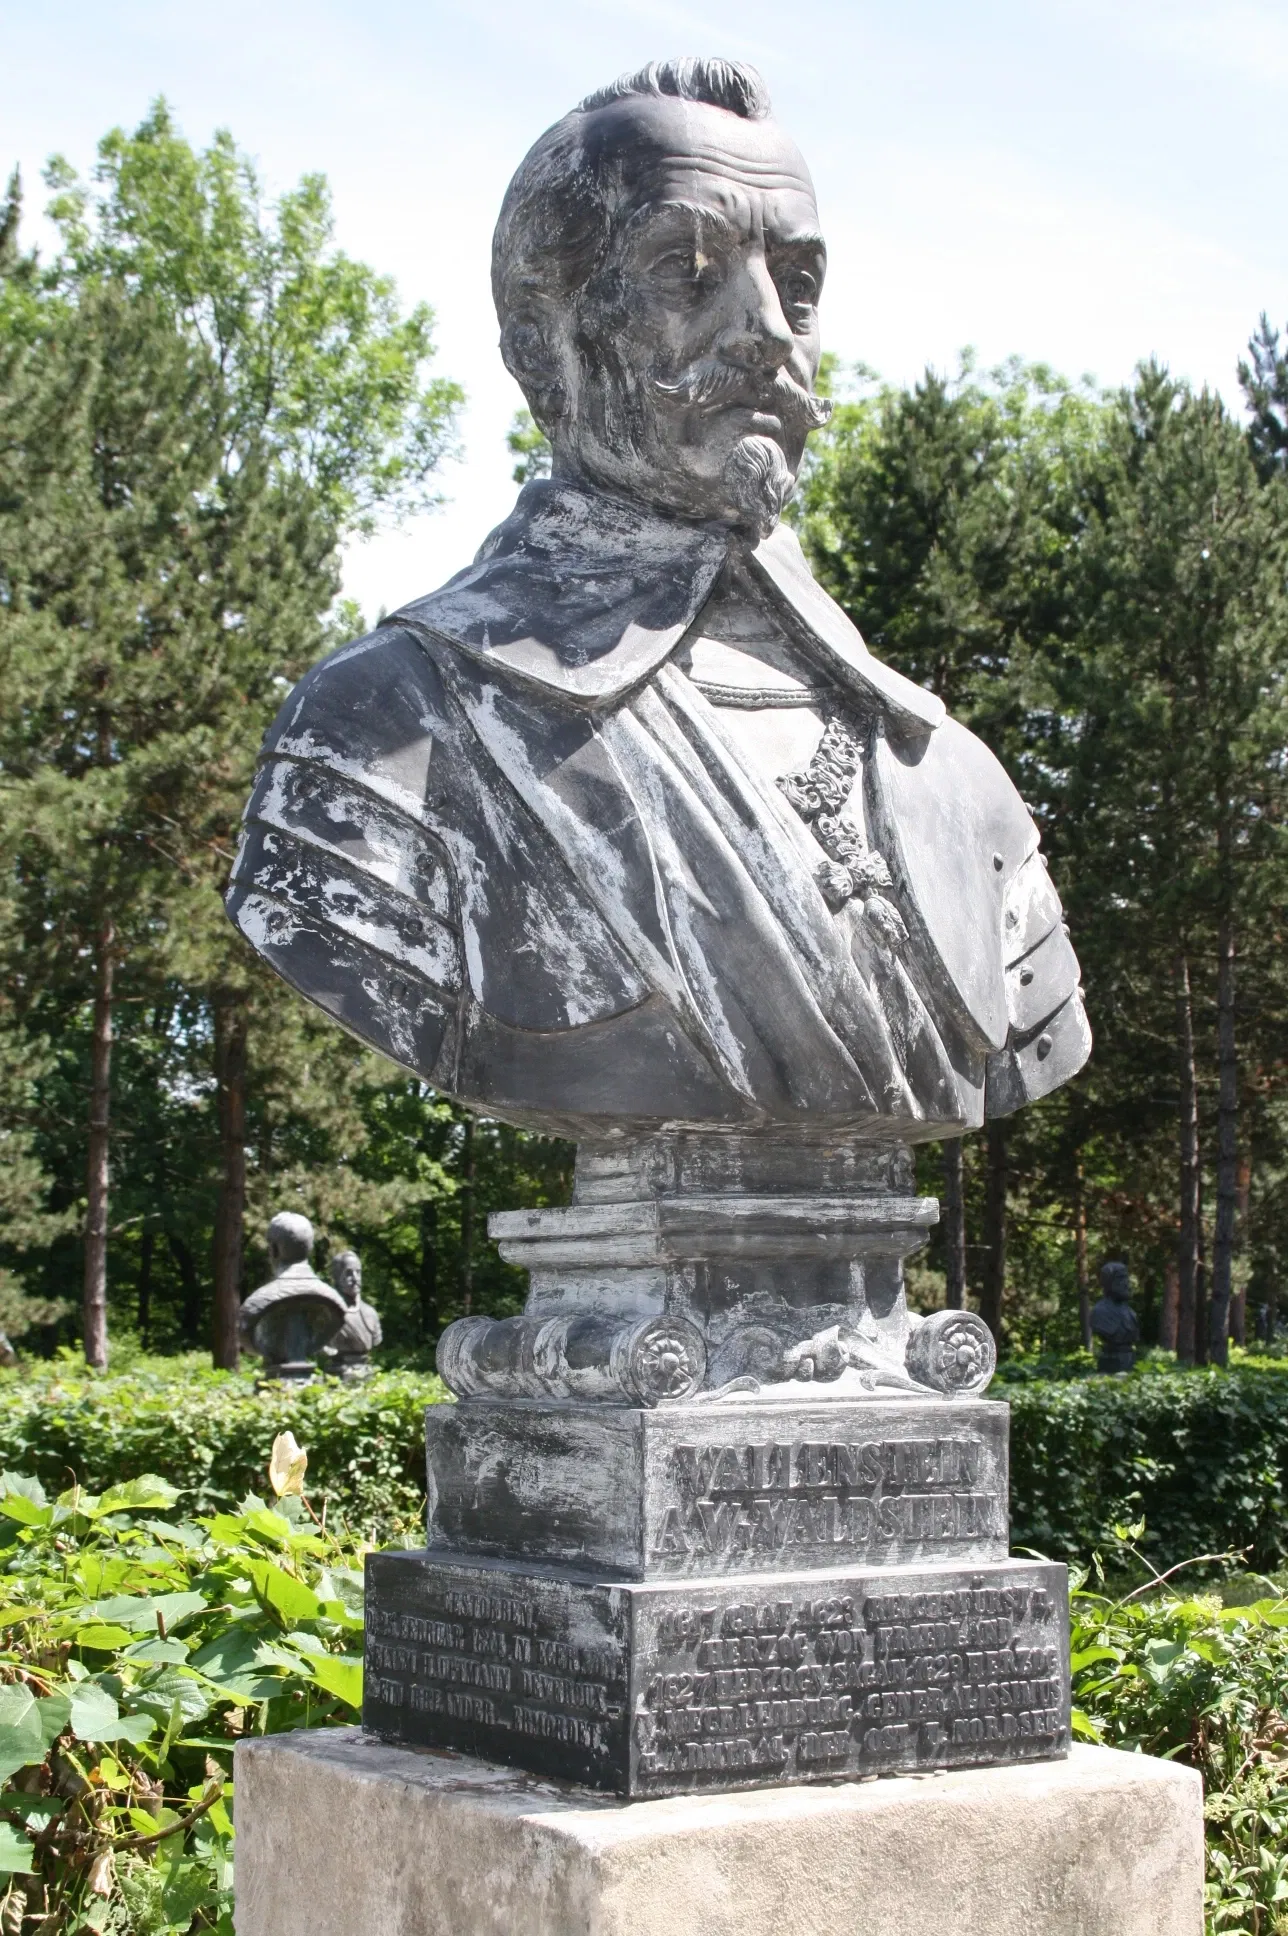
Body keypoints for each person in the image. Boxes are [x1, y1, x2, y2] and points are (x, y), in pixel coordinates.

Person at [226, 58, 1089, 1145]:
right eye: (687, 275)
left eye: (799, 285)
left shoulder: (954, 776)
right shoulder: (388, 730)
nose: (771, 331)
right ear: (542, 347)